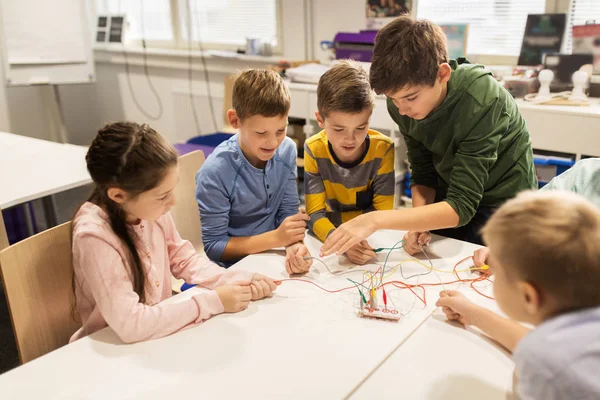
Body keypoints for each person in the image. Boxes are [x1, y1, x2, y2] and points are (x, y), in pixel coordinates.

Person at [320, 16, 537, 257]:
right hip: (453, 197)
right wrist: (418, 224)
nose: (402, 110)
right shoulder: (403, 105)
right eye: (393, 99)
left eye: (410, 98)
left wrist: (375, 220)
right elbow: (423, 170)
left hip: (504, 205)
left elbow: (462, 206)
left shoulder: (482, 100)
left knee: (491, 276)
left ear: (442, 74)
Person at [71, 122, 278, 343]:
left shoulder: (148, 210)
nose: (173, 201)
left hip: (156, 334)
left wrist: (240, 279)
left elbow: (184, 259)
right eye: (162, 196)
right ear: (118, 196)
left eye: (171, 190)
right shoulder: (94, 236)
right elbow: (131, 325)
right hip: (113, 350)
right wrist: (214, 302)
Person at [437, 190, 600, 399]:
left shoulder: (544, 365)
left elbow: (543, 353)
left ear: (528, 296)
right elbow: (544, 344)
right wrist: (473, 314)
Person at [196, 69, 312, 275]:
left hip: (272, 259)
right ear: (235, 120)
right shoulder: (215, 172)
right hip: (234, 269)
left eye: (280, 130)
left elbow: (287, 212)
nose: (273, 142)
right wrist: (277, 238)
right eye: (261, 133)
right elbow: (215, 246)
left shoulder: (286, 150)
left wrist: (294, 245)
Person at [305, 60, 395, 265]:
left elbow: (382, 214)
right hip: (331, 239)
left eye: (360, 128)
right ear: (320, 120)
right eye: (339, 129)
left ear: (369, 119)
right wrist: (341, 243)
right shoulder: (314, 149)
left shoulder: (383, 149)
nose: (350, 139)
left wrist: (354, 239)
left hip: (369, 239)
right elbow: (314, 214)